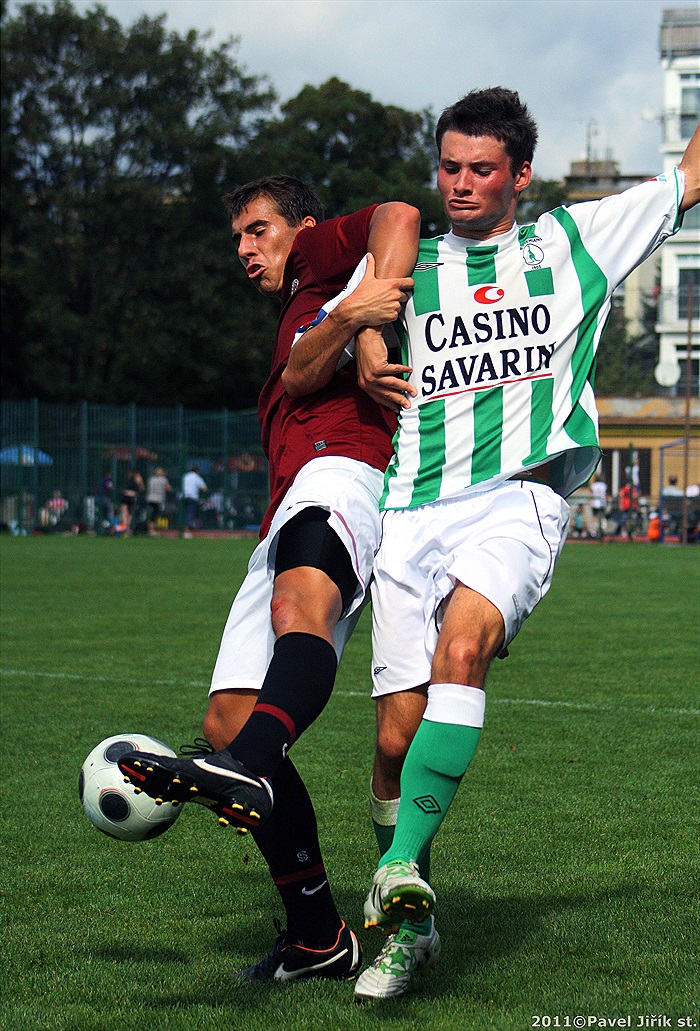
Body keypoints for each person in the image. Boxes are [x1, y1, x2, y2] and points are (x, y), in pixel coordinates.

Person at [347, 89, 700, 999]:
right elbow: (309, 349)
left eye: (481, 170)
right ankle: (410, 922)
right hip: (411, 510)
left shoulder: (575, 241)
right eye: (449, 168)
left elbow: (692, 174)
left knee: (467, 648)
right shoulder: (404, 268)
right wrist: (356, 335)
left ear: (520, 177)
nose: (459, 186)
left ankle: (396, 884)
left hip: (522, 497)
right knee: (394, 738)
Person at [119, 176, 419, 982]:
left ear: (305, 227)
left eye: (259, 230)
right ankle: (319, 936)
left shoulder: (320, 267)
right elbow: (299, 371)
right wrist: (351, 323)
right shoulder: (307, 301)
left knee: (300, 614)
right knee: (225, 718)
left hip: (343, 476)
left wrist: (368, 309)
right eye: (237, 239)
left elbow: (398, 215)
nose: (246, 250)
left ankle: (249, 763)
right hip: (290, 504)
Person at [181, 466, 207, 537]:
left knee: (183, 513)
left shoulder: (185, 476)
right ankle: (186, 530)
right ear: (197, 471)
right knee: (190, 513)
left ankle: (183, 528)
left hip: (183, 496)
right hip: (192, 497)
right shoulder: (196, 477)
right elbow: (204, 488)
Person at [146, 467, 172, 536]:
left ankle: (150, 528)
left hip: (150, 498)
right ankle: (152, 529)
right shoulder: (163, 480)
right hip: (158, 499)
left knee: (151, 514)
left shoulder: (151, 479)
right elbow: (168, 488)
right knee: (156, 514)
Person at [119, 467, 144, 533]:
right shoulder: (133, 478)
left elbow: (141, 487)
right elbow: (141, 487)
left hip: (130, 496)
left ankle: (125, 527)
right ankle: (125, 527)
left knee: (127, 513)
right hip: (129, 495)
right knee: (126, 512)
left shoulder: (131, 478)